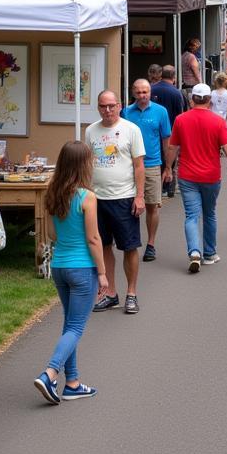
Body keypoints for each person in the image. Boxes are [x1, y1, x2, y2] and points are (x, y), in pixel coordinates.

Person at [34, 141, 109, 404]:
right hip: (82, 267)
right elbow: (94, 239)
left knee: (69, 325)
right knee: (76, 326)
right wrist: (102, 273)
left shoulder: (53, 193)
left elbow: (53, 234)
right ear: (83, 165)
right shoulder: (87, 197)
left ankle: (73, 383)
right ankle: (50, 373)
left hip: (60, 266)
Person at [166, 82, 227, 272]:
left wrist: (168, 167)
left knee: (192, 215)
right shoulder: (217, 121)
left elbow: (172, 147)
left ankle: (194, 251)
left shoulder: (181, 120)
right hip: (210, 175)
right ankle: (209, 253)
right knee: (209, 214)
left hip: (187, 175)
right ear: (209, 100)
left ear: (192, 99)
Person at [85, 90, 145, 314]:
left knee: (129, 247)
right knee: (103, 246)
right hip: (97, 199)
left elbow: (139, 166)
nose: (107, 110)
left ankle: (131, 293)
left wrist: (139, 197)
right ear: (98, 107)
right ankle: (110, 293)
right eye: (103, 106)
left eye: (111, 106)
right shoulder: (91, 130)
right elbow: (87, 164)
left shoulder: (131, 130)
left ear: (119, 106)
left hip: (124, 198)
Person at [122, 79, 172, 263]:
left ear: (150, 92)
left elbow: (166, 140)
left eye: (146, 92)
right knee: (127, 205)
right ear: (133, 93)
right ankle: (131, 241)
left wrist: (168, 167)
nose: (143, 96)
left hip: (151, 164)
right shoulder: (126, 112)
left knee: (151, 205)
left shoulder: (160, 111)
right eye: (139, 92)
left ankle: (151, 244)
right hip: (128, 165)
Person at [150, 64, 185, 199]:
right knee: (170, 159)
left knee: (155, 158)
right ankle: (169, 186)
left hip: (153, 130)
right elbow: (179, 115)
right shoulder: (176, 93)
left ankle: (157, 186)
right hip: (171, 131)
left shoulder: (152, 90)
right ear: (174, 77)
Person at [180, 37, 202, 102]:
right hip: (192, 85)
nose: (197, 48)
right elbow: (196, 73)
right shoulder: (191, 57)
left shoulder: (183, 55)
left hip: (185, 84)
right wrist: (201, 84)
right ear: (190, 46)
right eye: (196, 46)